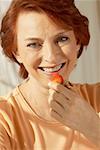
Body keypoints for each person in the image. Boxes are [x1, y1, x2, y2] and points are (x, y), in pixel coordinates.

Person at [0, 0, 100, 149]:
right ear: (17, 52)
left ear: (77, 42)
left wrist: (93, 128)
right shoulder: (4, 118)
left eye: (62, 39)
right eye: (34, 44)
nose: (51, 57)